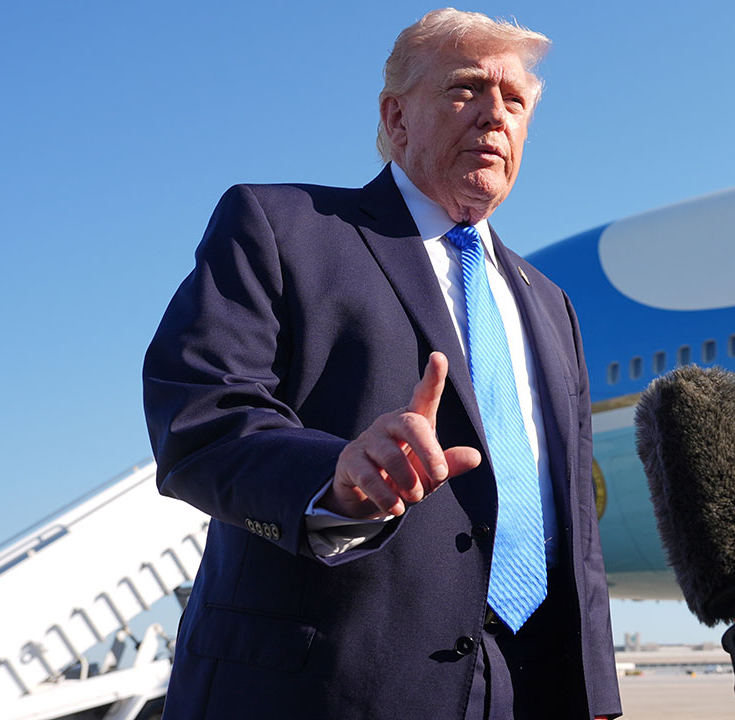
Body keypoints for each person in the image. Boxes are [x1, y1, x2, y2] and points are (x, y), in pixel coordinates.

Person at [141, 9, 621, 720]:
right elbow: (200, 417)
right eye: (466, 89)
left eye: (515, 100)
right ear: (396, 118)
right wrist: (332, 478)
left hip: (527, 688)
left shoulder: (552, 304)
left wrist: (596, 695)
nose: (495, 114)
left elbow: (572, 523)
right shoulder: (280, 228)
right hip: (322, 689)